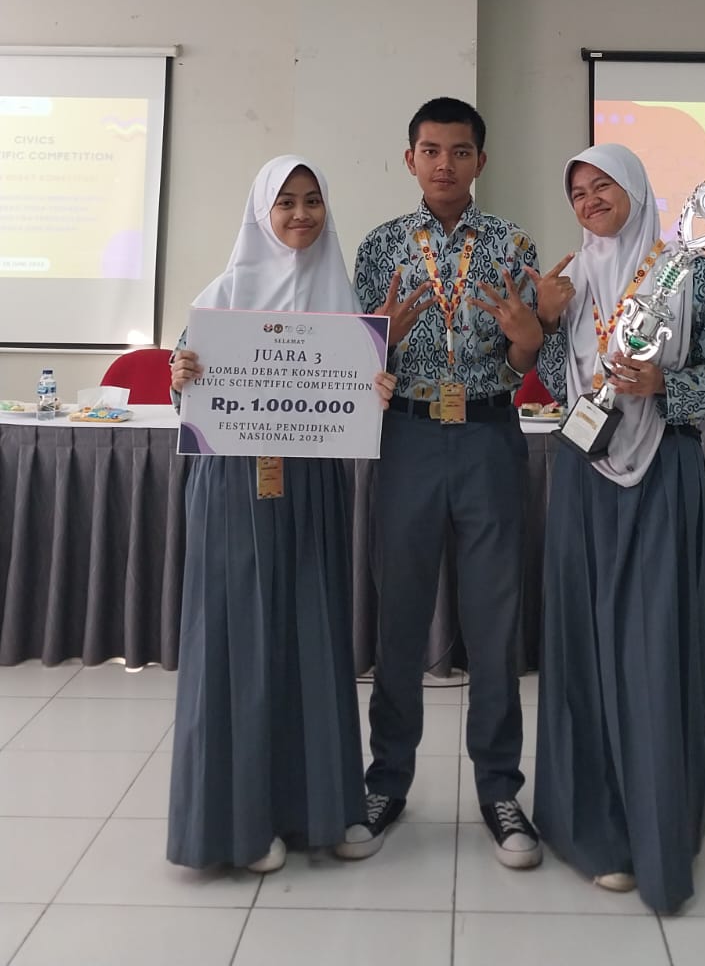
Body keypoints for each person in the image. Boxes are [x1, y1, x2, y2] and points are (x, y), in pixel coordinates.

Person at [167, 156, 395, 873]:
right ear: (262, 212)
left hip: (313, 485)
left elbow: (357, 397)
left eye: (313, 200)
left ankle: (324, 810)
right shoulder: (224, 292)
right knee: (241, 640)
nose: (301, 214)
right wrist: (182, 374)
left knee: (313, 635)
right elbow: (188, 393)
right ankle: (241, 823)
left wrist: (376, 390)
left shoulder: (342, 299)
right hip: (235, 486)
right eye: (286, 202)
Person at [531, 143, 705, 913]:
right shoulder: (572, 279)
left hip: (662, 476)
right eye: (577, 191)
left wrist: (665, 382)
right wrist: (547, 325)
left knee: (653, 649)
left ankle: (658, 824)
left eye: (603, 186)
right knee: (585, 649)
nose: (590, 200)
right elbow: (558, 381)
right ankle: (592, 827)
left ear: (635, 189)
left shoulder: (690, 274)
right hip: (584, 475)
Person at [353, 97, 545, 868]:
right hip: (407, 437)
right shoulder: (379, 247)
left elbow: (529, 357)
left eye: (459, 151)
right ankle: (385, 781)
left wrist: (527, 345)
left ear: (480, 161)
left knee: (494, 623)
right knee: (399, 617)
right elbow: (353, 360)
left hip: (490, 435)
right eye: (430, 151)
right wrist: (379, 341)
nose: (444, 164)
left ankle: (500, 788)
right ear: (410, 160)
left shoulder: (513, 243)